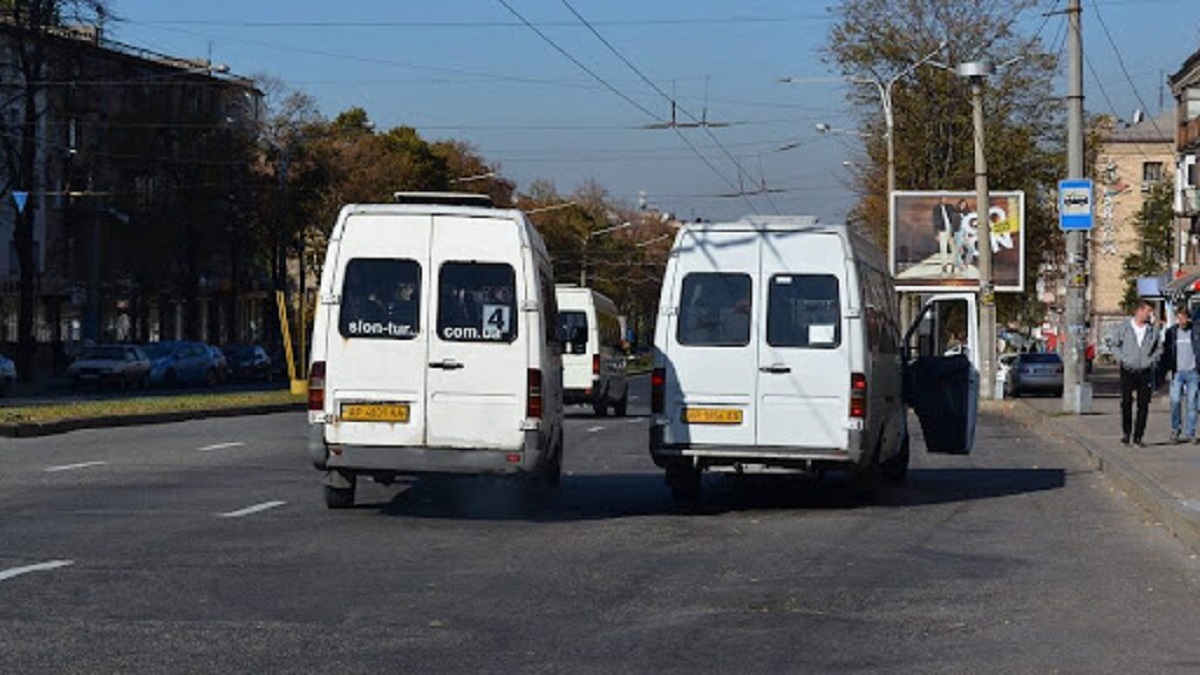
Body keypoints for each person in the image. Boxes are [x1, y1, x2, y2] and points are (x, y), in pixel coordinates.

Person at [1112, 301, 1162, 447]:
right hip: (1128, 370)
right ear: (1139, 311)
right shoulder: (1125, 328)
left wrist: (1151, 360)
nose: (1150, 314)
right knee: (1126, 402)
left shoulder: (1152, 330)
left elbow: (1159, 348)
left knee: (1143, 404)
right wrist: (1123, 359)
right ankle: (1126, 433)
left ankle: (1138, 436)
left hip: (1145, 371)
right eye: (1148, 311)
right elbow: (1114, 344)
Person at [1161, 306, 1200, 443]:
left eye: (1184, 317)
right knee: (1175, 400)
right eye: (1179, 317)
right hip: (1177, 372)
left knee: (1192, 403)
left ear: (1188, 318)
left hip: (1193, 372)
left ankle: (1191, 432)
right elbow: (1167, 353)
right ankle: (1175, 429)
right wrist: (1164, 371)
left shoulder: (1195, 331)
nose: (1181, 320)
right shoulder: (1171, 332)